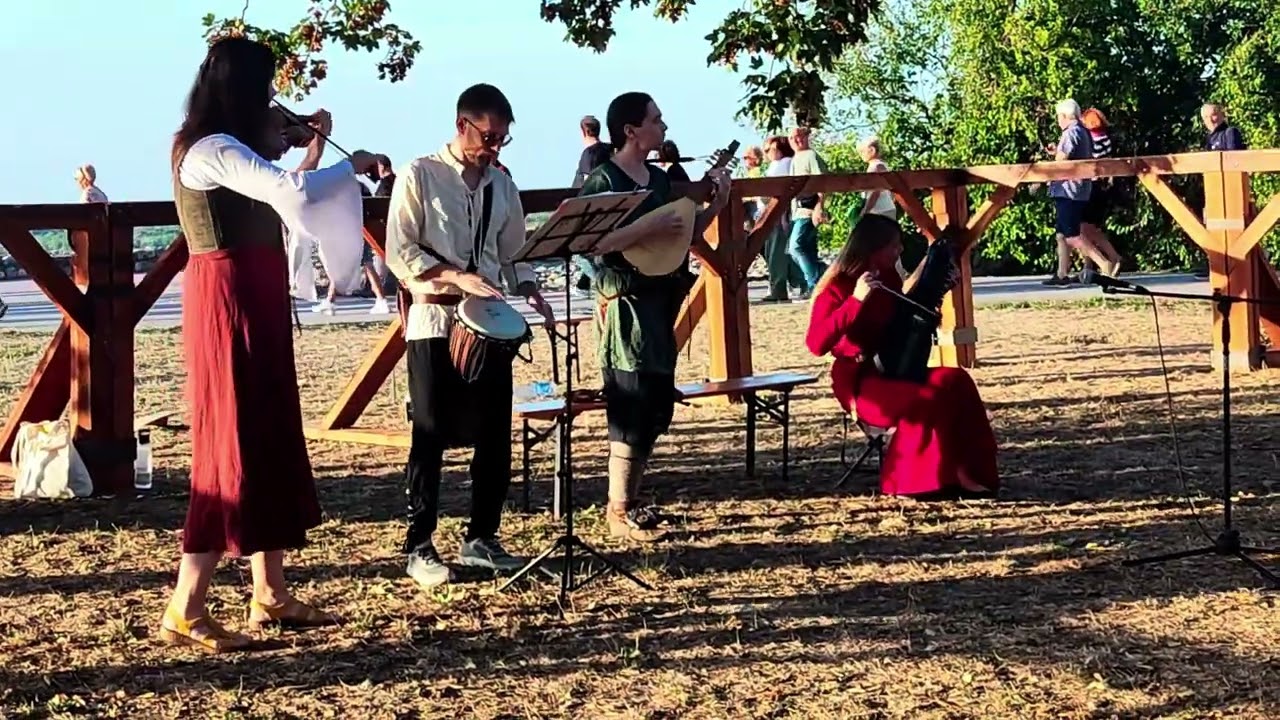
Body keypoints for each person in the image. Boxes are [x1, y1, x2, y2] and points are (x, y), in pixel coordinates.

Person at [163, 36, 377, 653]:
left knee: (270, 428)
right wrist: (351, 164)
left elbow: (285, 186)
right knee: (232, 439)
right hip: (227, 293)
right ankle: (186, 605)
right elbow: (294, 194)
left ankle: (270, 592)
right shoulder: (209, 149)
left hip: (253, 288)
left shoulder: (233, 144)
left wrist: (309, 144)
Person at [384, 83, 556, 588]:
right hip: (434, 320)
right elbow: (400, 252)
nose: (495, 147)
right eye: (489, 136)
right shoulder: (420, 175)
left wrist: (527, 286)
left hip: (489, 323)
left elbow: (511, 254)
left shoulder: (502, 184)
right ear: (463, 126)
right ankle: (419, 546)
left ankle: (482, 538)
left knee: (495, 434)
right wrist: (456, 276)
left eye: (503, 139)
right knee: (431, 433)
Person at [577, 91, 731, 541]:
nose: (663, 127)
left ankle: (631, 500)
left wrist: (716, 207)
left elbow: (677, 240)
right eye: (656, 120)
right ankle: (617, 509)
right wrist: (648, 226)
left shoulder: (658, 181)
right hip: (625, 308)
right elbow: (591, 244)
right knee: (632, 402)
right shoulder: (604, 181)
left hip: (661, 301)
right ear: (631, 130)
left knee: (656, 404)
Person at [805, 214, 999, 500]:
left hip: (895, 366)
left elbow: (903, 325)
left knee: (956, 380)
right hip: (859, 380)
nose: (899, 251)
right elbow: (816, 344)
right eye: (893, 246)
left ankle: (967, 469)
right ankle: (910, 481)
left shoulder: (889, 279)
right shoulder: (836, 287)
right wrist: (857, 300)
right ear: (873, 248)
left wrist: (938, 290)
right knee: (926, 398)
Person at [1041, 99, 1115, 286]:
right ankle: (1062, 273)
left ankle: (1103, 263)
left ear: (1065, 116)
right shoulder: (1082, 131)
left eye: (1059, 116)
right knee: (1061, 233)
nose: (1058, 120)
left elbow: (1061, 161)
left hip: (1069, 190)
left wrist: (1049, 165)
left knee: (1072, 235)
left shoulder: (1071, 132)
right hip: (1078, 189)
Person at [1078, 108, 1123, 278]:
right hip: (1099, 187)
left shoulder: (1096, 139)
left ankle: (1109, 259)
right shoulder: (1104, 137)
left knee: (1080, 228)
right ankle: (1109, 258)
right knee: (1089, 228)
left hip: (1093, 186)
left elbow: (1092, 160)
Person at [760, 135, 805, 302]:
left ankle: (779, 288)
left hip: (777, 213)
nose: (768, 153)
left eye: (771, 149)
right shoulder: (786, 163)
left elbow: (771, 190)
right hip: (779, 212)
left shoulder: (782, 164)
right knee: (778, 251)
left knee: (775, 252)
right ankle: (798, 281)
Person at [572, 115, 613, 295]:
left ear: (583, 132)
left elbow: (590, 184)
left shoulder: (589, 154)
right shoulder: (610, 150)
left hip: (590, 211)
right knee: (595, 252)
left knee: (575, 250)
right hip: (608, 209)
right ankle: (583, 286)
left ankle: (600, 282)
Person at [787, 127, 828, 295]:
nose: (796, 140)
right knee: (808, 249)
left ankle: (814, 282)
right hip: (798, 210)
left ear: (806, 137)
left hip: (808, 210)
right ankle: (820, 276)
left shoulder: (811, 155)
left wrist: (819, 207)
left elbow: (822, 182)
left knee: (795, 247)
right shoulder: (796, 158)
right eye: (792, 138)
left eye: (799, 137)